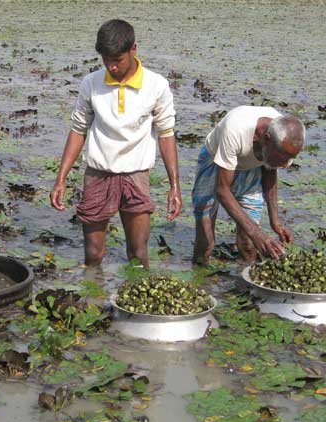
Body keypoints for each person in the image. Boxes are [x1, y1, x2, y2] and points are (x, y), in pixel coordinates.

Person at [50, 19, 182, 267]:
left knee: (138, 254)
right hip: (98, 173)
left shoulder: (156, 85)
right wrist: (61, 179)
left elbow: (166, 134)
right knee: (93, 255)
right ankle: (94, 299)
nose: (111, 66)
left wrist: (174, 186)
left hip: (136, 175)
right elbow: (79, 129)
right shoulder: (91, 83)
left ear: (133, 49)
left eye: (117, 60)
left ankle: (135, 304)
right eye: (106, 60)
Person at [191, 106, 305, 264]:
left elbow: (270, 170)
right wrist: (257, 233)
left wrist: (275, 221)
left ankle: (245, 282)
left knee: (249, 245)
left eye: (290, 158)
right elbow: (222, 190)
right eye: (283, 158)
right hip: (216, 161)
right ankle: (200, 278)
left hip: (252, 166)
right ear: (266, 139)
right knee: (206, 242)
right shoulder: (235, 129)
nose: (286, 165)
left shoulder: (285, 141)